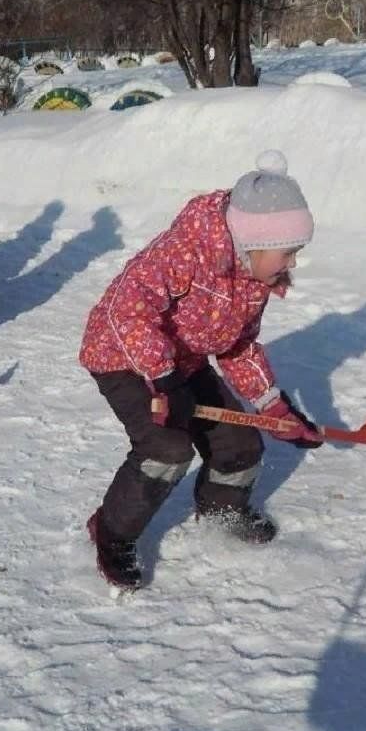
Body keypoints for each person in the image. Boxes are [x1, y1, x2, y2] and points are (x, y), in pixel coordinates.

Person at [78, 150, 325, 590]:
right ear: (256, 243)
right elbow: (126, 312)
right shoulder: (185, 251)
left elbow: (239, 345)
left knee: (241, 442)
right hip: (122, 357)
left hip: (182, 363)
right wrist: (167, 382)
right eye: (287, 252)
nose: (291, 263)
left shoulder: (252, 278)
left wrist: (274, 406)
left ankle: (221, 513)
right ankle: (111, 533)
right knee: (166, 449)